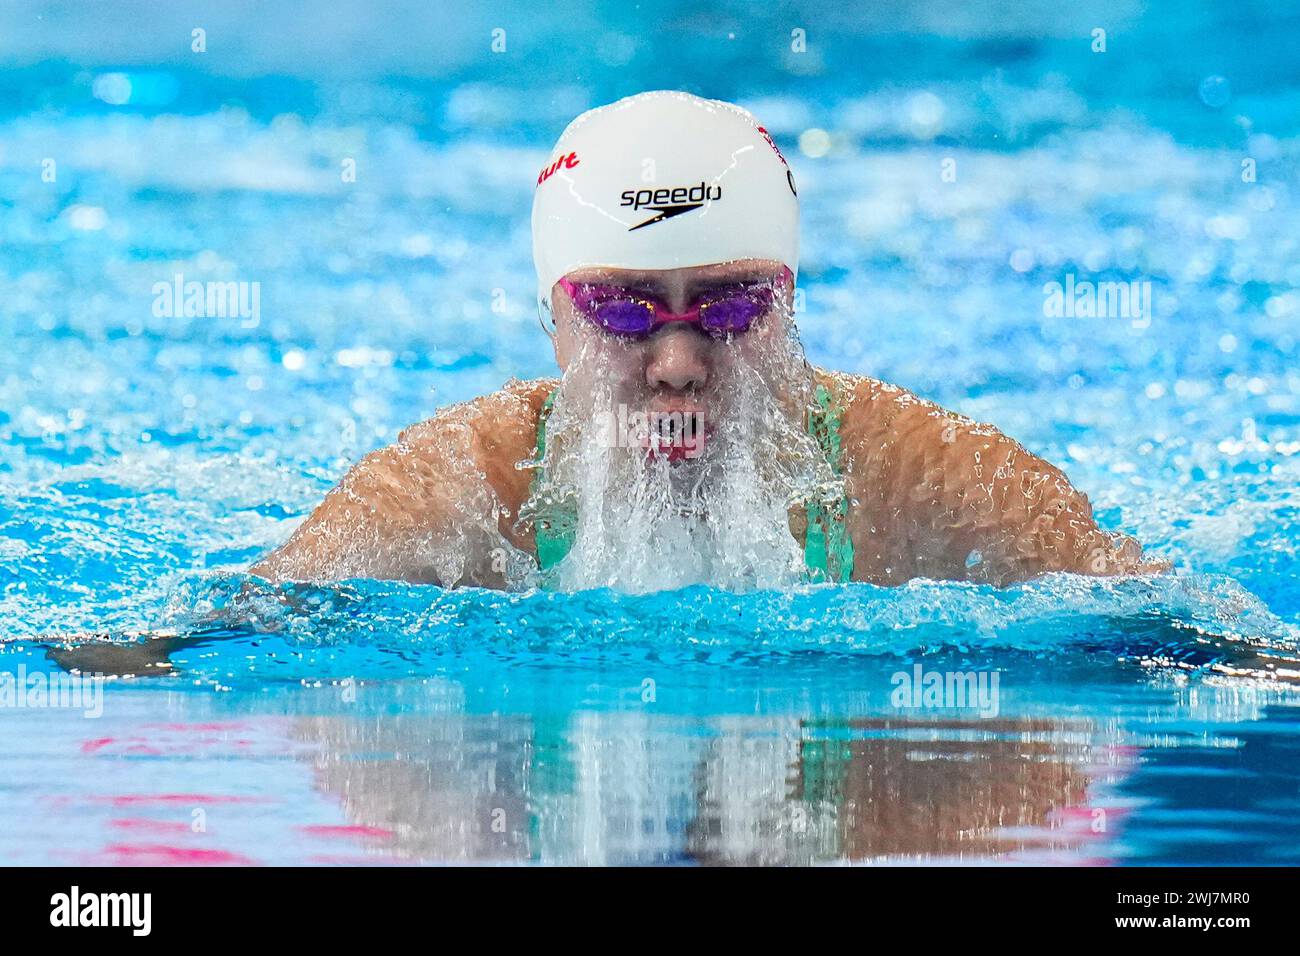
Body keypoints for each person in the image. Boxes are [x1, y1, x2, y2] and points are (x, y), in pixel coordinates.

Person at [250, 90, 1163, 592]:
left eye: (731, 307)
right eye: (619, 310)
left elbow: (1174, 631)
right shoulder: (467, 484)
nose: (680, 363)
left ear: (790, 306)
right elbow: (224, 634)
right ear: (552, 320)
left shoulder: (919, 476)